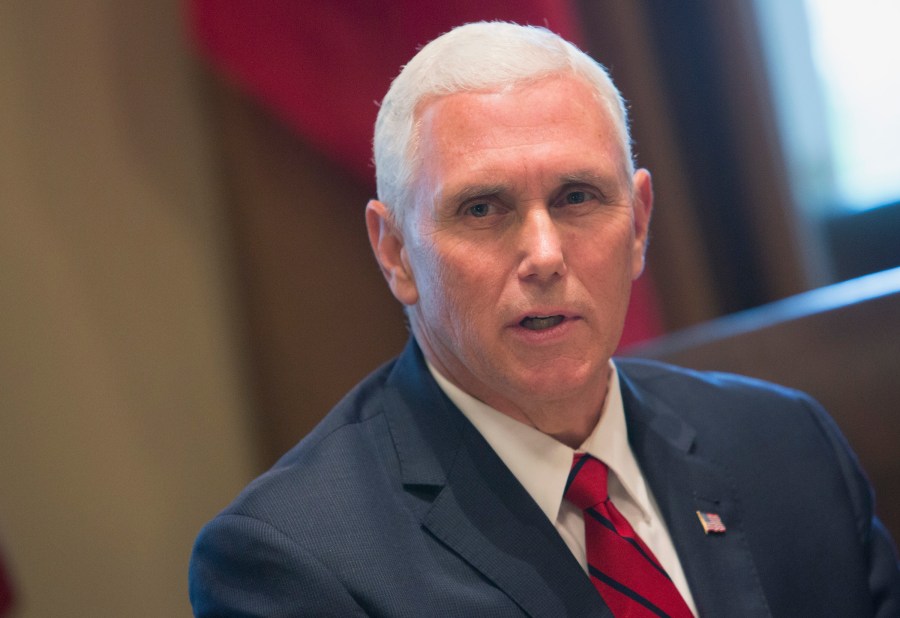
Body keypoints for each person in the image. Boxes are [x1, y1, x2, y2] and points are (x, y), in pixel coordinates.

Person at [189, 21, 900, 616]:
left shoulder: (789, 446)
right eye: (481, 209)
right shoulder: (294, 562)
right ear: (396, 252)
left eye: (578, 197)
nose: (544, 254)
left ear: (640, 223)